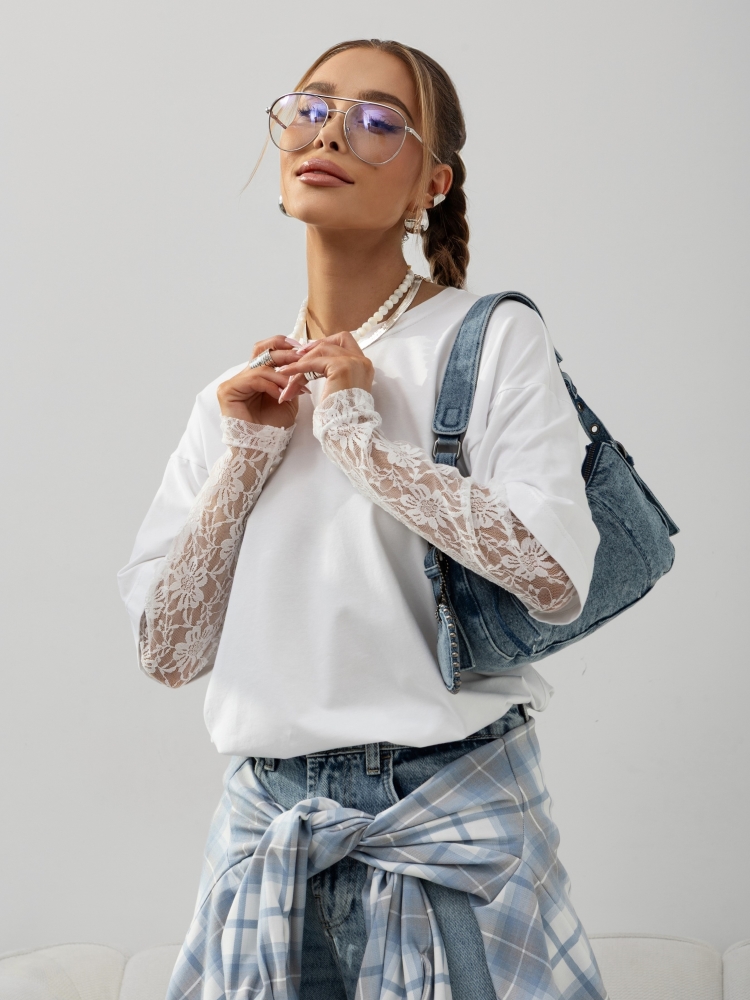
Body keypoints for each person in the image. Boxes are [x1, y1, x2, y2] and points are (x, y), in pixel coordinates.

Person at [118, 38, 606, 1000]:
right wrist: (248, 458)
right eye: (311, 108)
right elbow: (167, 653)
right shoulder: (238, 395)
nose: (330, 133)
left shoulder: (489, 338)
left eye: (378, 120)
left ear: (433, 183)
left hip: (446, 825)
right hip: (267, 835)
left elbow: (556, 578)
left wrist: (360, 439)